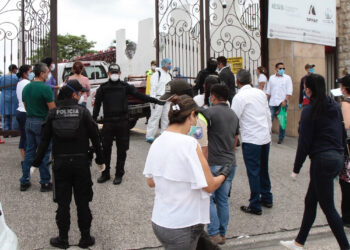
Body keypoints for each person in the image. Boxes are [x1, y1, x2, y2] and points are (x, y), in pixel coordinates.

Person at [143, 95, 231, 250]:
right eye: (196, 117)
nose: (196, 121)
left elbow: (151, 181)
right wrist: (224, 174)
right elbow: (209, 186)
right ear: (191, 115)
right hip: (184, 224)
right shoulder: (190, 144)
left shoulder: (157, 142)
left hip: (160, 222)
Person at [31, 80, 105, 249]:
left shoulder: (53, 113)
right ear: (73, 94)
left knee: (63, 204)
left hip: (61, 164)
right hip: (81, 164)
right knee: (83, 202)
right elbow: (96, 138)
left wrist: (35, 163)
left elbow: (44, 141)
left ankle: (63, 239)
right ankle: (85, 238)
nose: (82, 96)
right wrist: (101, 161)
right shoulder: (83, 113)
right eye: (80, 93)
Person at [280, 74, 350, 250]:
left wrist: (296, 168)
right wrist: (342, 155)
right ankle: (299, 242)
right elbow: (341, 130)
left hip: (322, 161)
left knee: (328, 208)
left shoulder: (309, 111)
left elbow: (304, 143)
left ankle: (345, 247)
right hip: (337, 158)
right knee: (311, 200)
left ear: (308, 89)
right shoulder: (333, 105)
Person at [93, 64, 164, 185]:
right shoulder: (103, 88)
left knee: (122, 150)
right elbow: (97, 104)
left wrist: (156, 100)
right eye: (112, 72)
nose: (114, 74)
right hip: (108, 122)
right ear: (109, 74)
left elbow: (140, 96)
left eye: (116, 72)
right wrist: (93, 120)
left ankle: (119, 174)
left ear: (119, 73)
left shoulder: (125, 86)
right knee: (105, 149)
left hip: (122, 122)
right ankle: (105, 174)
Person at [200, 84, 239, 245]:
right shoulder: (233, 114)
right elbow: (236, 140)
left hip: (215, 163)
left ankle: (214, 233)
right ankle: (222, 233)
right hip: (231, 163)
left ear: (213, 97)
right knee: (223, 200)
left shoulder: (210, 112)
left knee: (207, 198)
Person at [232, 69, 272, 215]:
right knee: (263, 169)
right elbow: (267, 114)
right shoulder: (260, 93)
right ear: (250, 80)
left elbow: (234, 118)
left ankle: (255, 204)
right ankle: (267, 197)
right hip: (263, 136)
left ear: (238, 81)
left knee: (253, 172)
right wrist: (268, 131)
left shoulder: (239, 97)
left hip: (251, 139)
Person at [19, 63, 56, 192]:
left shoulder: (27, 87)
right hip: (42, 122)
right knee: (44, 152)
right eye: (47, 72)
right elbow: (52, 109)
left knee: (30, 151)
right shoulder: (45, 88)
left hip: (29, 121)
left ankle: (24, 180)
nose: (48, 74)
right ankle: (45, 182)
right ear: (41, 73)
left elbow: (25, 104)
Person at [145, 58, 172, 143]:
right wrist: (153, 100)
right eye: (169, 64)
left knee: (166, 117)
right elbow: (153, 88)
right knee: (155, 117)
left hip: (167, 99)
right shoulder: (157, 74)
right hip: (157, 99)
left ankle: (164, 134)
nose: (170, 65)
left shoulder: (169, 75)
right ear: (164, 64)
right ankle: (150, 136)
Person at [266, 62, 293, 144]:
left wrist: (285, 100)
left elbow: (289, 91)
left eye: (283, 68)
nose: (282, 70)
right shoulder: (271, 78)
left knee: (282, 122)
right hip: (272, 102)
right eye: (280, 68)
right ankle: (267, 137)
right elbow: (268, 91)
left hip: (282, 102)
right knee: (269, 120)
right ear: (276, 69)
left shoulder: (287, 78)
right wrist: (264, 101)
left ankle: (281, 137)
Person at [338, 74, 350, 228]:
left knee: (346, 182)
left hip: (348, 146)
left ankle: (347, 217)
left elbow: (346, 125)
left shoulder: (346, 103)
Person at [16, 65, 33, 165]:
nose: (32, 73)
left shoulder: (19, 83)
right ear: (25, 73)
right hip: (26, 111)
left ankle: (23, 158)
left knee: (23, 136)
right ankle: (27, 159)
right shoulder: (27, 83)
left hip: (19, 111)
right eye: (30, 71)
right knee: (29, 136)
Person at [0, 64, 19, 132]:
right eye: (16, 69)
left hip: (4, 96)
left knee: (5, 114)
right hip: (14, 96)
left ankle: (5, 131)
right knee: (14, 114)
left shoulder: (2, 77)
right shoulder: (16, 77)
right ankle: (14, 130)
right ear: (14, 69)